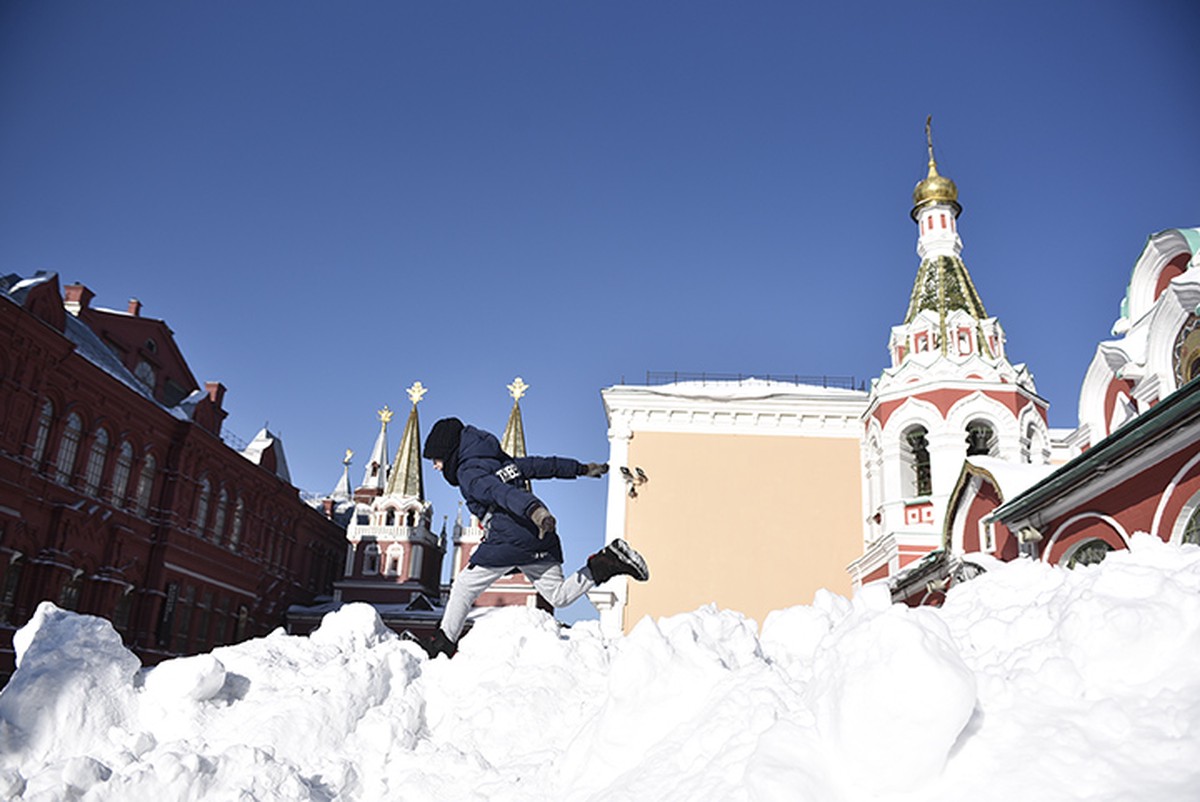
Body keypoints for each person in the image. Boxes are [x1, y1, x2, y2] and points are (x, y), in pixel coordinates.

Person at [421, 417, 649, 658]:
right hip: (539, 537)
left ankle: (443, 645)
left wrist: (534, 510)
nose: (436, 466)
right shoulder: (501, 462)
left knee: (463, 587)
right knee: (558, 595)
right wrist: (581, 468)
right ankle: (609, 561)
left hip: (510, 537)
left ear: (450, 452)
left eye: (437, 459)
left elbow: (500, 493)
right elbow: (540, 466)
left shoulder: (469, 473)